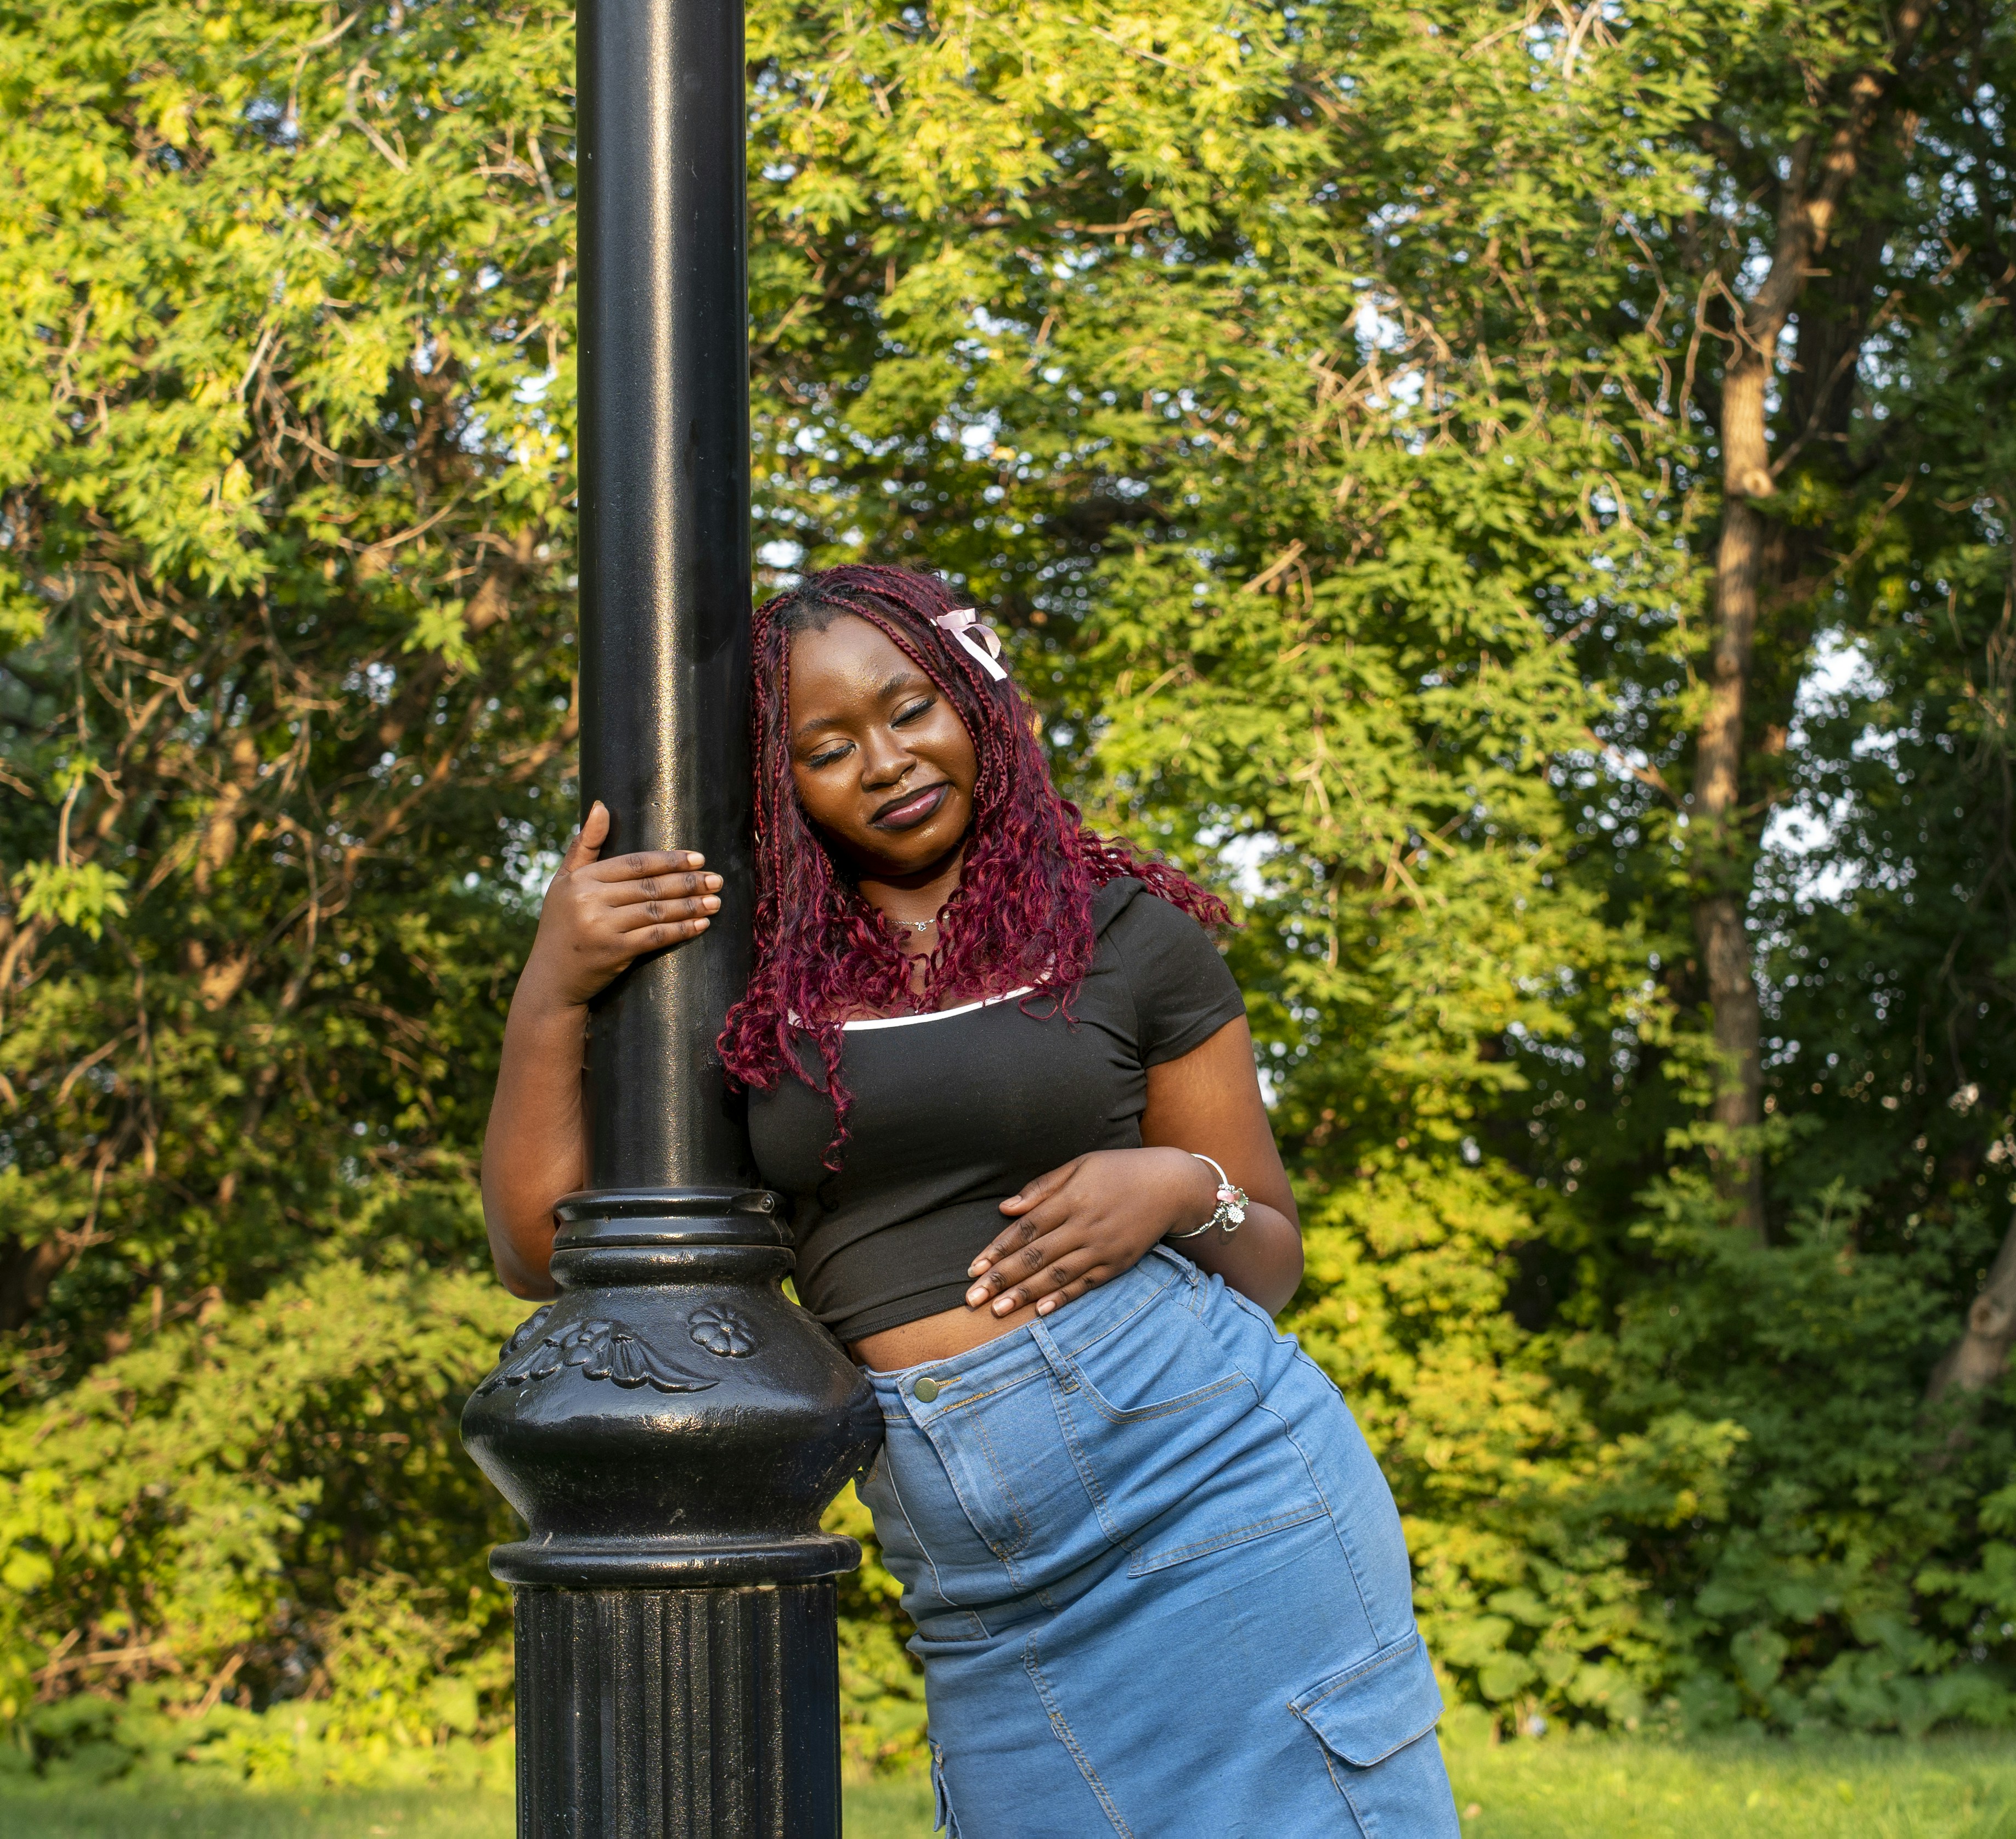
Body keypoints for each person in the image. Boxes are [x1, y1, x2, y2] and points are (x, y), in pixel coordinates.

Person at [479, 564, 1459, 1836]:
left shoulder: (1128, 932)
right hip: (980, 1566)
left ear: (978, 698)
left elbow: (1268, 1255)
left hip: (1217, 1478)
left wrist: (1168, 1185)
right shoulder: (750, 987)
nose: (884, 762)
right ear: (783, 791)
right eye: (826, 748)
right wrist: (552, 984)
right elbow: (535, 1243)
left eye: (912, 708)